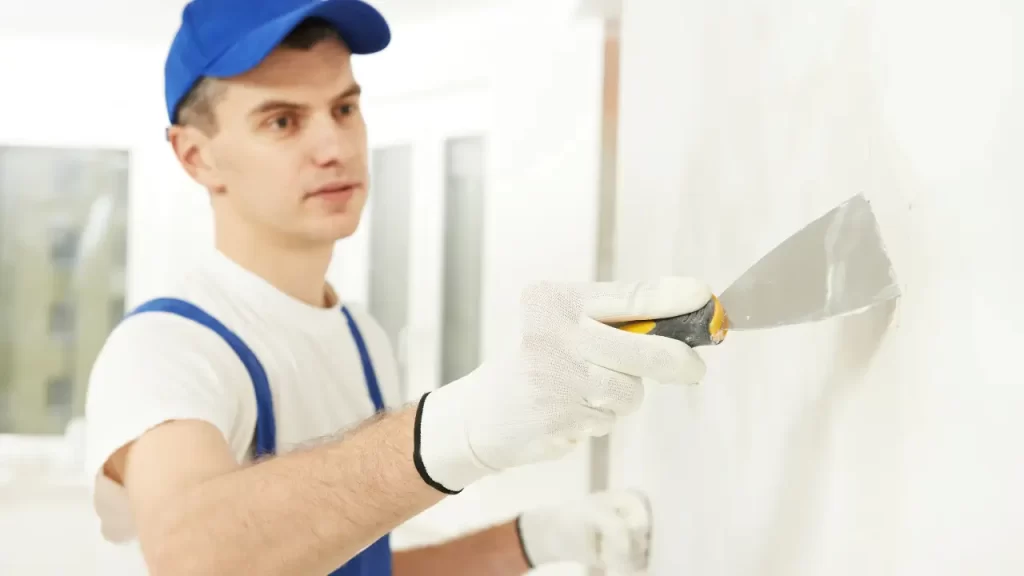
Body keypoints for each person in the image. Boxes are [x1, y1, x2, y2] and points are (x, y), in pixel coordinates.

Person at [83, 0, 715, 574]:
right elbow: (195, 555)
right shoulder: (165, 348)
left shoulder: (360, 335)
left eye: (345, 108)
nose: (334, 145)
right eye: (282, 122)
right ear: (197, 157)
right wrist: (460, 425)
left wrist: (531, 540)